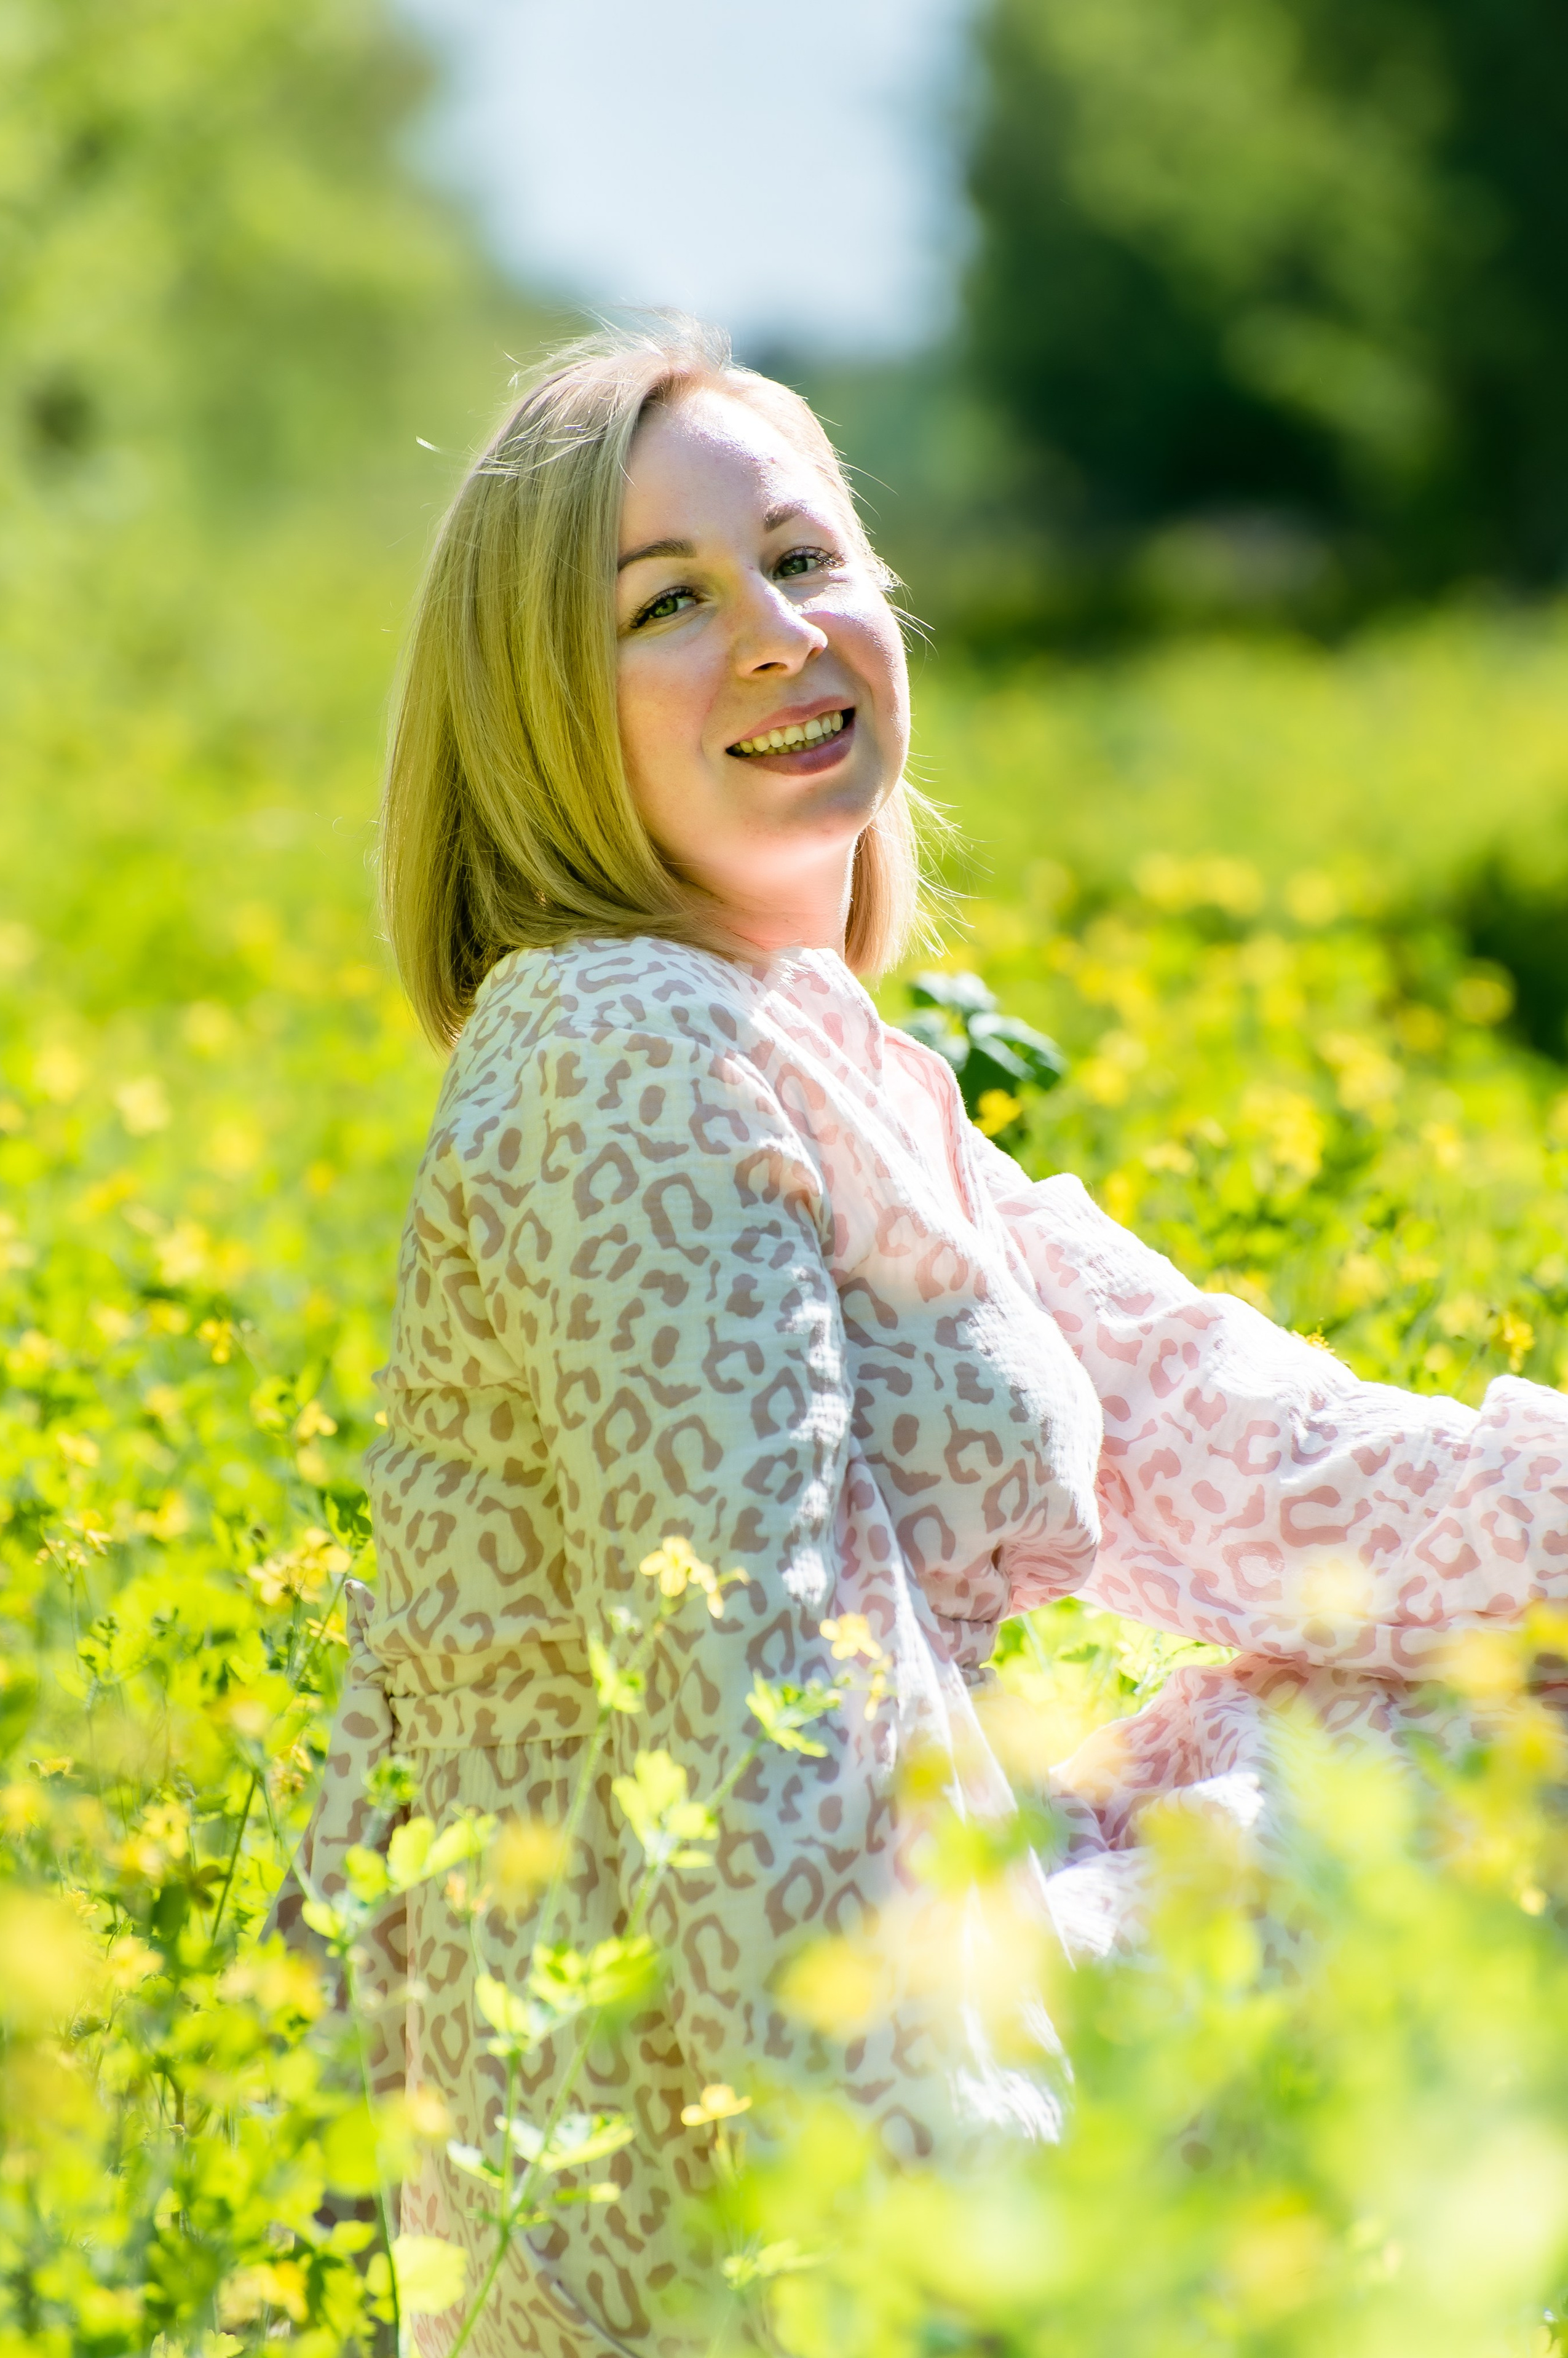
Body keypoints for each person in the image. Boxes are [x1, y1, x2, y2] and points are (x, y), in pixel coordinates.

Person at [288, 319, 1568, 2356]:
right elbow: (767, 1764)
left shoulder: (830, 1063)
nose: (779, 635)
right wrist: (962, 2276)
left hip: (916, 2022)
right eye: (670, 605)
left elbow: (1254, 1453)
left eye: (805, 559)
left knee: (1517, 1708)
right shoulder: (629, 1062)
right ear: (539, 711)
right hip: (755, 2204)